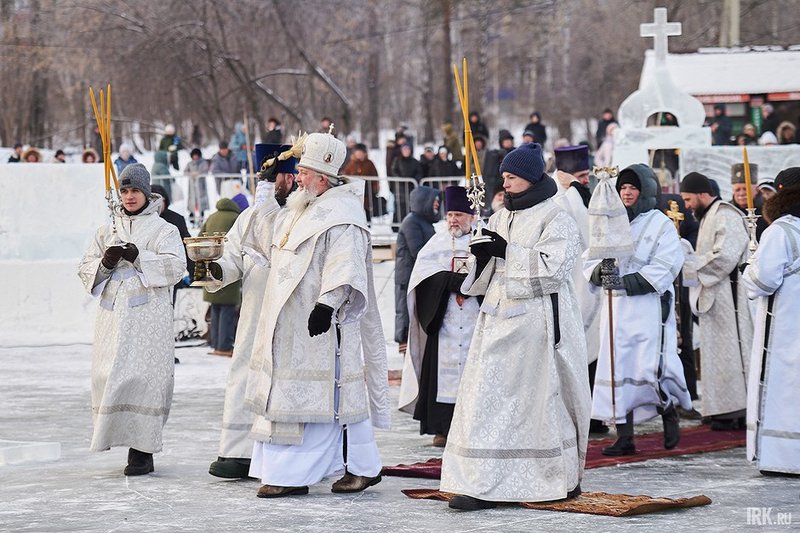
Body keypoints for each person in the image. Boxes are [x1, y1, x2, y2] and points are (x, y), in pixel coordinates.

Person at [441, 143, 590, 510]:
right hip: (494, 321)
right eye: (503, 177)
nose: (504, 184)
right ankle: (479, 481)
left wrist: (507, 253)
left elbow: (554, 269)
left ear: (529, 177)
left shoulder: (556, 218)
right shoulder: (499, 216)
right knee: (485, 400)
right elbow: (485, 272)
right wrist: (481, 258)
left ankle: (552, 476)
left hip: (536, 327)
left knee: (532, 401)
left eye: (511, 177)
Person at [245, 131, 390, 498]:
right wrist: (265, 192)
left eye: (304, 173)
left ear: (323, 178)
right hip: (287, 325)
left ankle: (294, 475)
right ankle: (360, 468)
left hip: (319, 326)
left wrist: (328, 304)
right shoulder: (300, 208)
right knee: (304, 397)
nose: (298, 178)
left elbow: (347, 265)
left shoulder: (343, 215)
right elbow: (264, 242)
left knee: (326, 398)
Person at [77, 164, 186, 476]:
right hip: (113, 318)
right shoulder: (107, 229)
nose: (129, 196)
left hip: (148, 319)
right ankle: (116, 437)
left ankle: (142, 451)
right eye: (124, 191)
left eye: (135, 190)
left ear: (146, 192)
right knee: (111, 378)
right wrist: (104, 263)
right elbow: (85, 267)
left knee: (145, 380)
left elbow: (177, 267)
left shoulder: (165, 230)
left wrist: (140, 257)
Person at [204, 143, 297, 479]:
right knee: (245, 372)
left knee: (286, 375)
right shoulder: (247, 217)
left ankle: (282, 451)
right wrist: (216, 270)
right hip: (255, 312)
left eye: (283, 177)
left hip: (291, 311)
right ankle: (238, 451)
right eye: (270, 178)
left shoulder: (301, 214)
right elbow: (231, 257)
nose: (277, 184)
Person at [585, 164, 692, 456]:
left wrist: (627, 280)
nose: (627, 193)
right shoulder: (611, 221)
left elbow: (668, 264)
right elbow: (589, 255)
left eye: (633, 188)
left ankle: (668, 410)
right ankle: (625, 435)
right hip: (615, 308)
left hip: (646, 306)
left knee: (647, 368)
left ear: (644, 191)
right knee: (616, 368)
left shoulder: (659, 223)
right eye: (623, 188)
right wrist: (599, 272)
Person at [398, 186, 480, 447]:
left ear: (472, 216)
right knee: (443, 376)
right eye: (450, 214)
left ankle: (473, 427)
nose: (453, 220)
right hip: (444, 319)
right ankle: (442, 427)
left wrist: (469, 286)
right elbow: (422, 278)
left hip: (475, 319)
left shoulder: (484, 239)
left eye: (459, 214)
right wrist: (448, 282)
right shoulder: (438, 243)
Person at [680, 172, 753, 430]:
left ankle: (734, 410)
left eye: (688, 199)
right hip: (715, 295)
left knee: (732, 352)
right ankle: (721, 408)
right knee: (718, 355)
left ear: (701, 194)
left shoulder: (726, 214)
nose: (687, 205)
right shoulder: (709, 215)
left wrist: (690, 266)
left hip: (729, 297)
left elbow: (725, 256)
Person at [743, 167, 800, 477]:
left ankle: (785, 457)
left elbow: (763, 280)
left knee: (785, 386)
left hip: (787, 327)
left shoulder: (781, 230)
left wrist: (748, 268)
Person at [553, 145, 604, 433]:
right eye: (581, 175)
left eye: (587, 175)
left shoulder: (583, 195)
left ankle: (594, 414)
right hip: (570, 283)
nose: (586, 180)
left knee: (593, 346)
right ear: (565, 175)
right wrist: (574, 193)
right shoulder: (560, 199)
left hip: (589, 283)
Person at [394, 186, 441, 353]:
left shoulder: (424, 223)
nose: (437, 204)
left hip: (418, 274)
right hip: (408, 275)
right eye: (434, 201)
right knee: (405, 309)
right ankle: (405, 343)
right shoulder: (411, 222)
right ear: (424, 202)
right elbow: (418, 251)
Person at [201, 197, 242, 357]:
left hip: (210, 266)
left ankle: (215, 342)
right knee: (227, 308)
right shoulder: (235, 218)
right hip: (227, 267)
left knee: (216, 307)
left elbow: (200, 236)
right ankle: (224, 346)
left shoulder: (211, 217)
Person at [342, 143, 383, 220]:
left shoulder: (369, 163)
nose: (359, 154)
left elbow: (375, 176)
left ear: (364, 153)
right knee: (356, 209)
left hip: (367, 191)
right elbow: (346, 175)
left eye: (361, 152)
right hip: (355, 191)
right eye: (357, 152)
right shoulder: (351, 164)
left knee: (367, 209)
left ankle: (368, 223)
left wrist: (376, 187)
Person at [730, 162, 768, 241]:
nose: (741, 193)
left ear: (757, 190)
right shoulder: (728, 210)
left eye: (745, 189)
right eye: (737, 190)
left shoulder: (767, 211)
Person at [184, 148, 210, 226]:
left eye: (196, 155)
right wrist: (191, 174)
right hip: (192, 186)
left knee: (201, 202)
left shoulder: (203, 163)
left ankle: (201, 218)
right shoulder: (190, 164)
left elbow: (205, 171)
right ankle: (192, 218)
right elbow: (185, 172)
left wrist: (198, 173)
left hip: (201, 186)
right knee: (192, 201)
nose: (195, 157)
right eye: (194, 156)